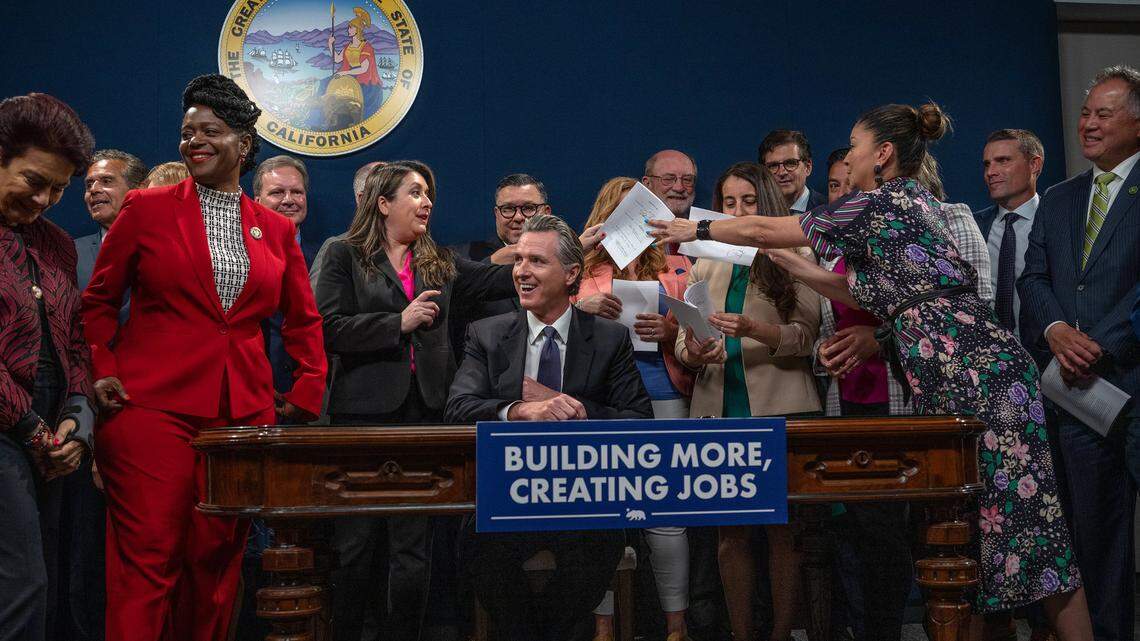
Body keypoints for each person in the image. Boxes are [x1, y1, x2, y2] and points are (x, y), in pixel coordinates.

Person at [651, 101, 1093, 640]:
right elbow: (853, 288)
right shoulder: (899, 208)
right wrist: (792, 262)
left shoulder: (878, 202)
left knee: (1032, 537)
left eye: (857, 148)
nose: (852, 157)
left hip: (979, 374)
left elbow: (774, 225)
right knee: (979, 536)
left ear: (882, 155)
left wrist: (695, 224)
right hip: (960, 373)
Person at [82, 74, 327, 641]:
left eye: (210, 131)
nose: (194, 141)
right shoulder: (144, 209)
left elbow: (303, 319)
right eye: (187, 132)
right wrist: (103, 367)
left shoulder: (275, 230)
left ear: (244, 143)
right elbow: (96, 304)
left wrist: (307, 390)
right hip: (148, 409)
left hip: (239, 418)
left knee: (216, 569)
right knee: (148, 562)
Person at [313, 160, 517, 641]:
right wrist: (395, 324)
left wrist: (565, 253)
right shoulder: (342, 253)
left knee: (414, 545)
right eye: (416, 193)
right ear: (383, 204)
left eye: (429, 193)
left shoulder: (436, 260)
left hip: (423, 415)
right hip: (361, 419)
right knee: (357, 545)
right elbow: (324, 328)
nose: (427, 202)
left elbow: (492, 280)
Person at [446, 213, 652, 641]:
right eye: (518, 260)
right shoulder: (486, 334)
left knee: (596, 552)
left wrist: (572, 410)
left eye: (536, 261)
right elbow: (459, 408)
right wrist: (520, 410)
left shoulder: (609, 338)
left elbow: (637, 419)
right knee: (477, 550)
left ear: (571, 273)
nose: (521, 271)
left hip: (582, 499)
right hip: (508, 497)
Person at [672, 162, 820, 641]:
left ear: (767, 206)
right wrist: (693, 349)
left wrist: (757, 329)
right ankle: (741, 635)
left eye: (748, 202)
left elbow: (807, 337)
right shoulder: (705, 256)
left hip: (779, 408)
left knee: (783, 533)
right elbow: (683, 338)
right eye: (728, 203)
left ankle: (780, 634)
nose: (736, 211)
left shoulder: (794, 249)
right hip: (718, 409)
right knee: (729, 535)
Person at [1019, 64, 1140, 641]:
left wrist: (1100, 343)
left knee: (1113, 537)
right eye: (1085, 113)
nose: (1088, 124)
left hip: (1128, 384)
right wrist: (1058, 331)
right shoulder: (1062, 197)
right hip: (1070, 395)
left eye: (1103, 114)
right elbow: (1033, 279)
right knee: (1082, 538)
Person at [571, 176, 694, 641]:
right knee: (602, 510)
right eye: (624, 212)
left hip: (665, 389)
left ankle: (675, 627)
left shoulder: (679, 260)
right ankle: (604, 628)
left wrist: (669, 330)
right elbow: (548, 317)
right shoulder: (580, 265)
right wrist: (584, 306)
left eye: (642, 212)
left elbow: (697, 326)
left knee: (666, 513)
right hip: (601, 397)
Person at [0, 92, 95, 641]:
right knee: (22, 587)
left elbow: (75, 340)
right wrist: (31, 428)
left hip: (50, 437)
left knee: (52, 587)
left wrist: (77, 421)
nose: (44, 199)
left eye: (58, 189)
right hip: (10, 433)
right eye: (34, 181)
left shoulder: (57, 244)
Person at [976, 129, 1045, 334]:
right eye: (987, 164)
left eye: (1003, 160)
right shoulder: (973, 225)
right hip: (985, 352)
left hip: (1048, 352)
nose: (991, 172)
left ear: (1034, 164)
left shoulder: (1057, 222)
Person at [77, 149, 148, 290]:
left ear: (140, 190)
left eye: (106, 181)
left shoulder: (170, 244)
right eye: (89, 184)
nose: (94, 190)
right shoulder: (71, 253)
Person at [759, 129, 827, 213]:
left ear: (808, 167)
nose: (782, 172)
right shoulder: (755, 211)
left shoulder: (829, 211)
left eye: (790, 163)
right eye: (773, 166)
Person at [643, 149, 697, 218]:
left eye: (687, 180)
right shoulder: (625, 225)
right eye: (668, 179)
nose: (679, 188)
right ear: (647, 184)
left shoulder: (711, 227)